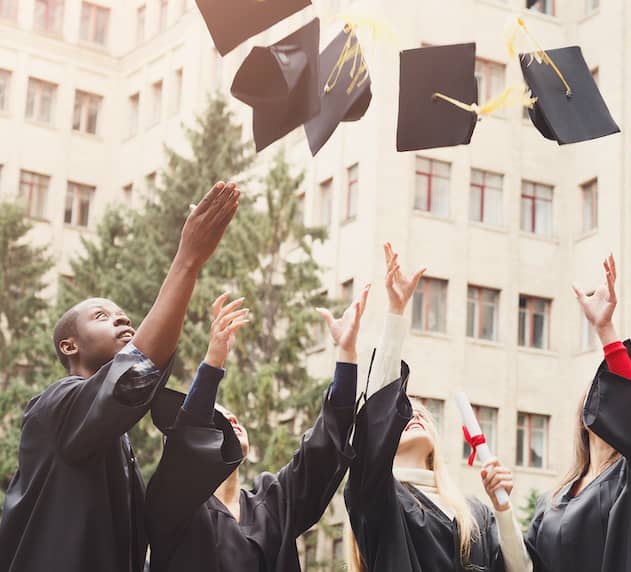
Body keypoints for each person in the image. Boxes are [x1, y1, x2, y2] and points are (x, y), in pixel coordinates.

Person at [0, 181, 240, 572]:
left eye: (121, 314)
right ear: (69, 346)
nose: (122, 318)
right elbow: (134, 375)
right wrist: (187, 261)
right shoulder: (55, 408)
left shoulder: (111, 436)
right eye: (101, 316)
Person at [144, 285, 368, 571]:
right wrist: (213, 362)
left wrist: (346, 354)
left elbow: (322, 451)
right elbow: (187, 440)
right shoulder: (175, 510)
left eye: (231, 414)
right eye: (217, 418)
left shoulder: (271, 502)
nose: (231, 418)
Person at [345, 243, 532, 572]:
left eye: (421, 413)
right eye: (404, 412)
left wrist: (502, 509)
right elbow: (375, 417)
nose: (414, 415)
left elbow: (521, 569)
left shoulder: (473, 512)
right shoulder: (379, 499)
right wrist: (395, 315)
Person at [524, 254, 631, 572]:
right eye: (598, 392)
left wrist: (605, 330)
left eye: (613, 394)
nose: (608, 399)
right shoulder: (551, 500)